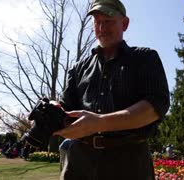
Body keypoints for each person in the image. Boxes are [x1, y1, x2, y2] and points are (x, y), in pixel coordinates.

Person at [52, 0, 170, 179]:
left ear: (125, 23)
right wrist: (53, 112)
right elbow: (66, 109)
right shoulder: (77, 69)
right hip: (79, 164)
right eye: (97, 22)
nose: (101, 27)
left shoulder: (145, 58)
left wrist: (100, 122)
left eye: (108, 21)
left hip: (129, 164)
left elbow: (156, 106)